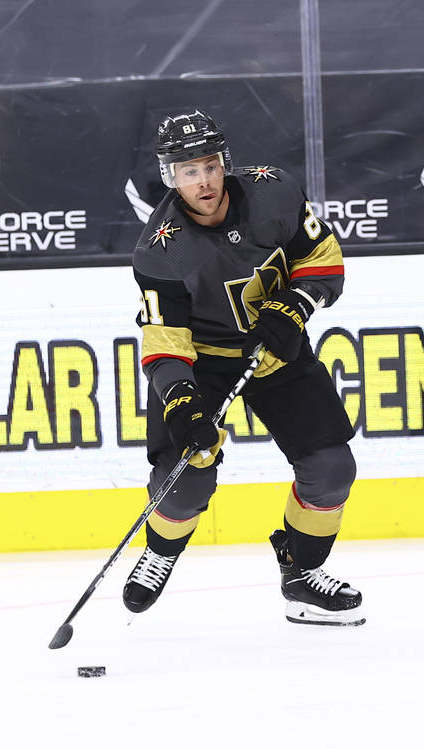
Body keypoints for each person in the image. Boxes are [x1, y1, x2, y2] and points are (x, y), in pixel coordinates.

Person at [126, 110, 364, 627]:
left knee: (331, 470)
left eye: (210, 166)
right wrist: (182, 400)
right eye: (189, 171)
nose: (204, 181)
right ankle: (162, 551)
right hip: (204, 363)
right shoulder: (159, 250)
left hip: (275, 347)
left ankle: (301, 575)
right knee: (186, 478)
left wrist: (298, 302)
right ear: (171, 177)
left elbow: (321, 256)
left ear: (224, 164)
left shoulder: (272, 192)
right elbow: (165, 340)